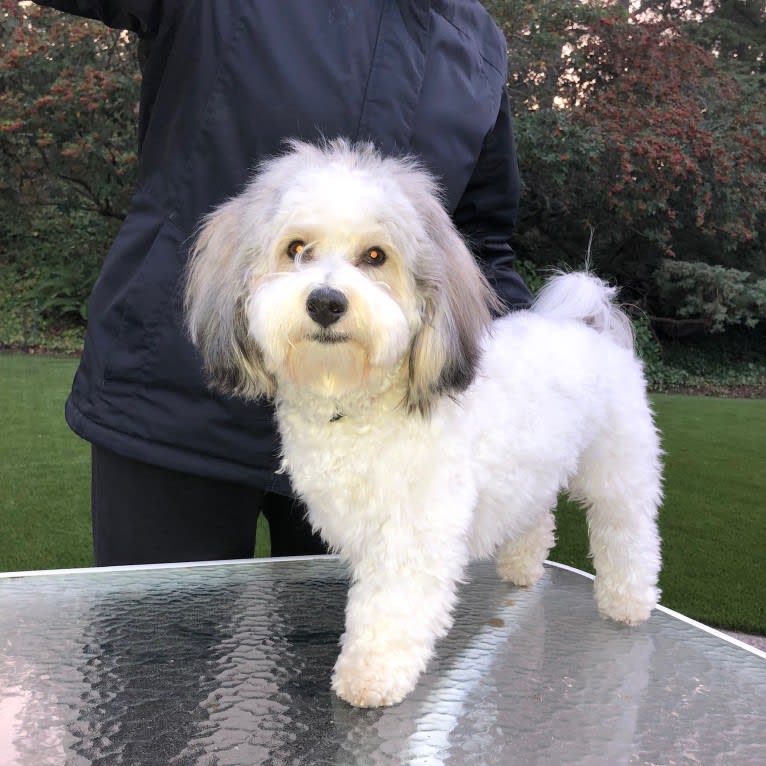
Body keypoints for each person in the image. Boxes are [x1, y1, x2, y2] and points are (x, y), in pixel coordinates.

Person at [33, 0, 533, 565]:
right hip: (176, 406)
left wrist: (541, 374)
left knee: (357, 649)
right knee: (163, 652)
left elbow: (481, 242)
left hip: (380, 443)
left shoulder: (478, 42)